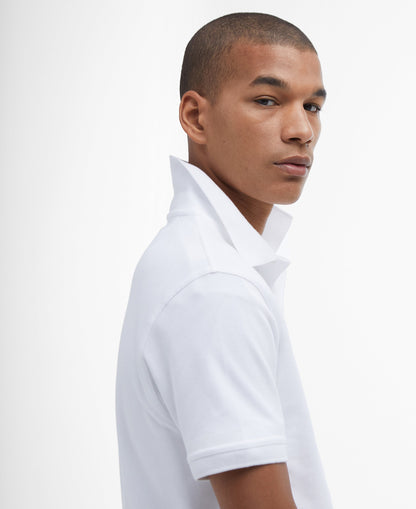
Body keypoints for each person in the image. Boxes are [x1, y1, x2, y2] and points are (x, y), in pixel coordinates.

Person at [116, 12, 333, 509]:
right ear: (196, 117)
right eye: (267, 100)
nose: (302, 130)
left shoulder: (190, 257)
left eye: (313, 106)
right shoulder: (214, 285)